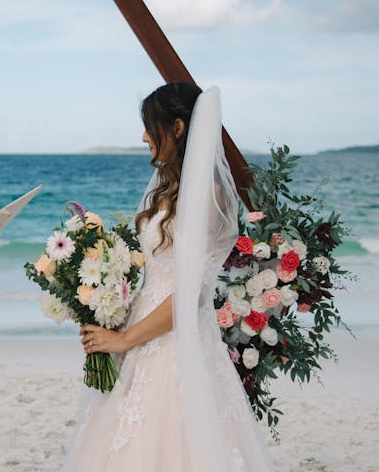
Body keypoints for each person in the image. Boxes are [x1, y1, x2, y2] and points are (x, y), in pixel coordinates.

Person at [67, 82, 274, 471]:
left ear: (177, 128)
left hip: (174, 337)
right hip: (145, 322)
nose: (144, 136)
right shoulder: (167, 190)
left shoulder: (208, 195)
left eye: (151, 126)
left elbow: (190, 293)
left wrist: (124, 337)